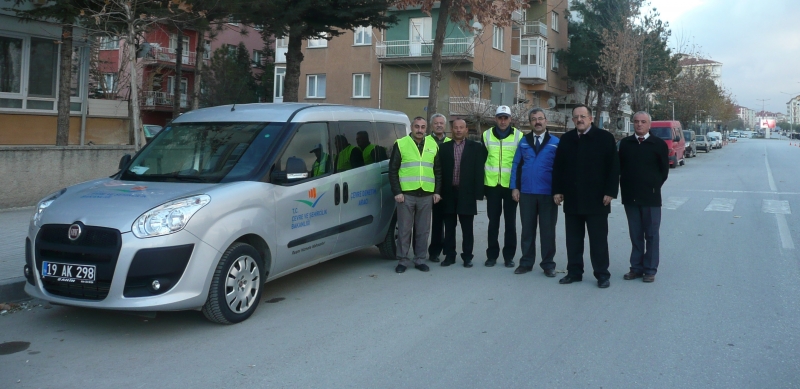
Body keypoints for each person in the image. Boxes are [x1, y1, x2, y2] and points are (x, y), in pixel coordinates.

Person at [552, 104, 619, 288]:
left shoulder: (605, 138)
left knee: (598, 240)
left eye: (583, 116)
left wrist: (610, 192)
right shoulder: (566, 139)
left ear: (591, 118)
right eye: (576, 117)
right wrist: (557, 190)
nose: (579, 120)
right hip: (573, 199)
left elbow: (613, 168)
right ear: (573, 120)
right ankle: (574, 272)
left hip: (598, 199)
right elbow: (558, 167)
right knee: (573, 240)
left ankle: (602, 275)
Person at [618, 111, 669, 283]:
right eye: (636, 122)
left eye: (643, 122)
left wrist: (653, 187)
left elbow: (664, 172)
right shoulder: (625, 144)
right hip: (630, 197)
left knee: (652, 235)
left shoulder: (659, 144)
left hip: (651, 198)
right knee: (635, 234)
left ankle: (650, 269)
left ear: (649, 124)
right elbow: (620, 168)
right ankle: (636, 268)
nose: (639, 124)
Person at [389, 116, 442, 273]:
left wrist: (437, 192)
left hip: (426, 193)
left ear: (426, 128)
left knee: (423, 229)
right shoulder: (401, 144)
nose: (420, 130)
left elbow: (438, 171)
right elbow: (393, 170)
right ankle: (403, 260)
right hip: (406, 194)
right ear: (411, 128)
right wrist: (397, 192)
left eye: (423, 127)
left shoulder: (433, 144)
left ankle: (419, 259)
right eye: (417, 127)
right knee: (404, 229)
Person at [510, 108, 559, 277]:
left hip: (548, 193)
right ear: (530, 122)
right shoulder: (524, 141)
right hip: (527, 193)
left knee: (548, 231)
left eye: (540, 118)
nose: (537, 121)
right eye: (533, 119)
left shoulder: (555, 142)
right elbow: (516, 165)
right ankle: (526, 262)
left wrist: (559, 191)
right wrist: (514, 187)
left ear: (546, 121)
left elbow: (560, 169)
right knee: (527, 230)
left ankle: (548, 264)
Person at [439, 119, 485, 268]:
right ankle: (449, 256)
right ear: (452, 130)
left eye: (461, 128)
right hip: (448, 193)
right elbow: (439, 172)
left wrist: (479, 193)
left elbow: (479, 171)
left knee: (467, 228)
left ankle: (467, 257)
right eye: (456, 128)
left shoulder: (475, 148)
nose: (458, 130)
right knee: (449, 227)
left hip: (467, 193)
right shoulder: (444, 148)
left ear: (466, 130)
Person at [482, 105, 523, 268]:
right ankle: (492, 255)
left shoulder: (519, 136)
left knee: (510, 222)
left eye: (506, 118)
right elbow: (481, 161)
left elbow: (521, 163)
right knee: (493, 222)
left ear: (510, 119)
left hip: (510, 186)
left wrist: (517, 186)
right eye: (500, 117)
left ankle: (509, 256)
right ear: (495, 119)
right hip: (491, 185)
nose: (503, 121)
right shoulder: (485, 135)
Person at [426, 113, 451, 262]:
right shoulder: (426, 141)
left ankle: (448, 250)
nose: (439, 125)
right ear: (431, 125)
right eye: (436, 123)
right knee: (431, 222)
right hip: (428, 186)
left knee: (445, 220)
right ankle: (432, 251)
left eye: (441, 123)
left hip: (446, 188)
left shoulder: (450, 142)